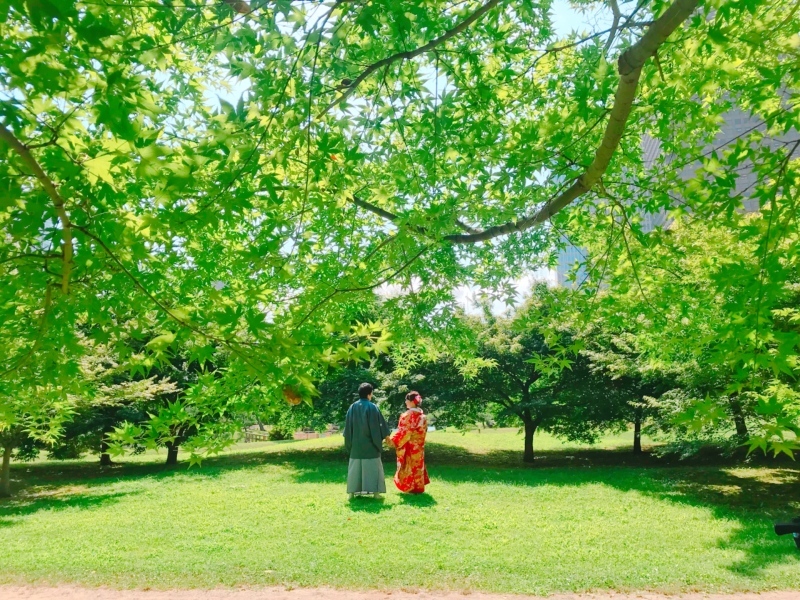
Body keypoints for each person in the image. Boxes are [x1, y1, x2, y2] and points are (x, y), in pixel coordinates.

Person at [344, 382, 391, 499]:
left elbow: (348, 428)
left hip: (356, 446)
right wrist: (386, 437)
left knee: (354, 470)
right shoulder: (372, 407)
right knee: (374, 469)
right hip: (371, 446)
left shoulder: (352, 407)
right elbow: (378, 426)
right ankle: (376, 493)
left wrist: (349, 444)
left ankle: (352, 493)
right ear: (369, 394)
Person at [389, 391, 430, 494]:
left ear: (412, 402)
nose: (405, 402)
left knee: (408, 467)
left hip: (409, 446)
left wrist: (393, 441)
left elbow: (404, 432)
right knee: (417, 466)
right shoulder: (423, 416)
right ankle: (418, 488)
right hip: (419, 446)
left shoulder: (408, 415)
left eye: (406, 400)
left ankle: (409, 488)